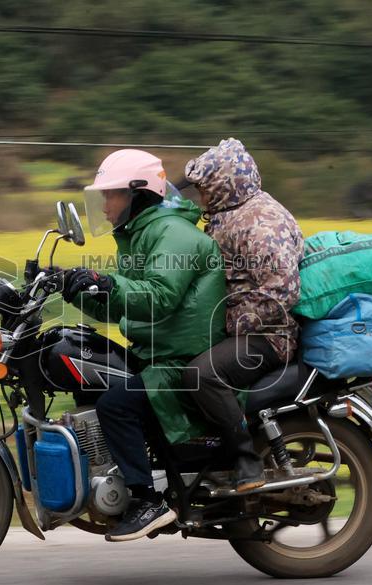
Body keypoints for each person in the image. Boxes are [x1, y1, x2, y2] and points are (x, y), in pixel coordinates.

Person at [62, 149, 226, 541]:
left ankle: (145, 500)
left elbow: (158, 296)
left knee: (116, 406)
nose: (104, 206)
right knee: (93, 381)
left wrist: (106, 282)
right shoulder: (142, 234)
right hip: (155, 352)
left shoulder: (173, 233)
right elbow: (122, 302)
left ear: (139, 194)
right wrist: (73, 288)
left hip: (179, 358)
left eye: (112, 195)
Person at [181, 138, 304, 492]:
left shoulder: (260, 221)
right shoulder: (230, 214)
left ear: (223, 184)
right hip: (244, 330)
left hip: (269, 336)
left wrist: (230, 322)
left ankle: (246, 462)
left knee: (200, 375)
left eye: (204, 188)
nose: (200, 197)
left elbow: (282, 289)